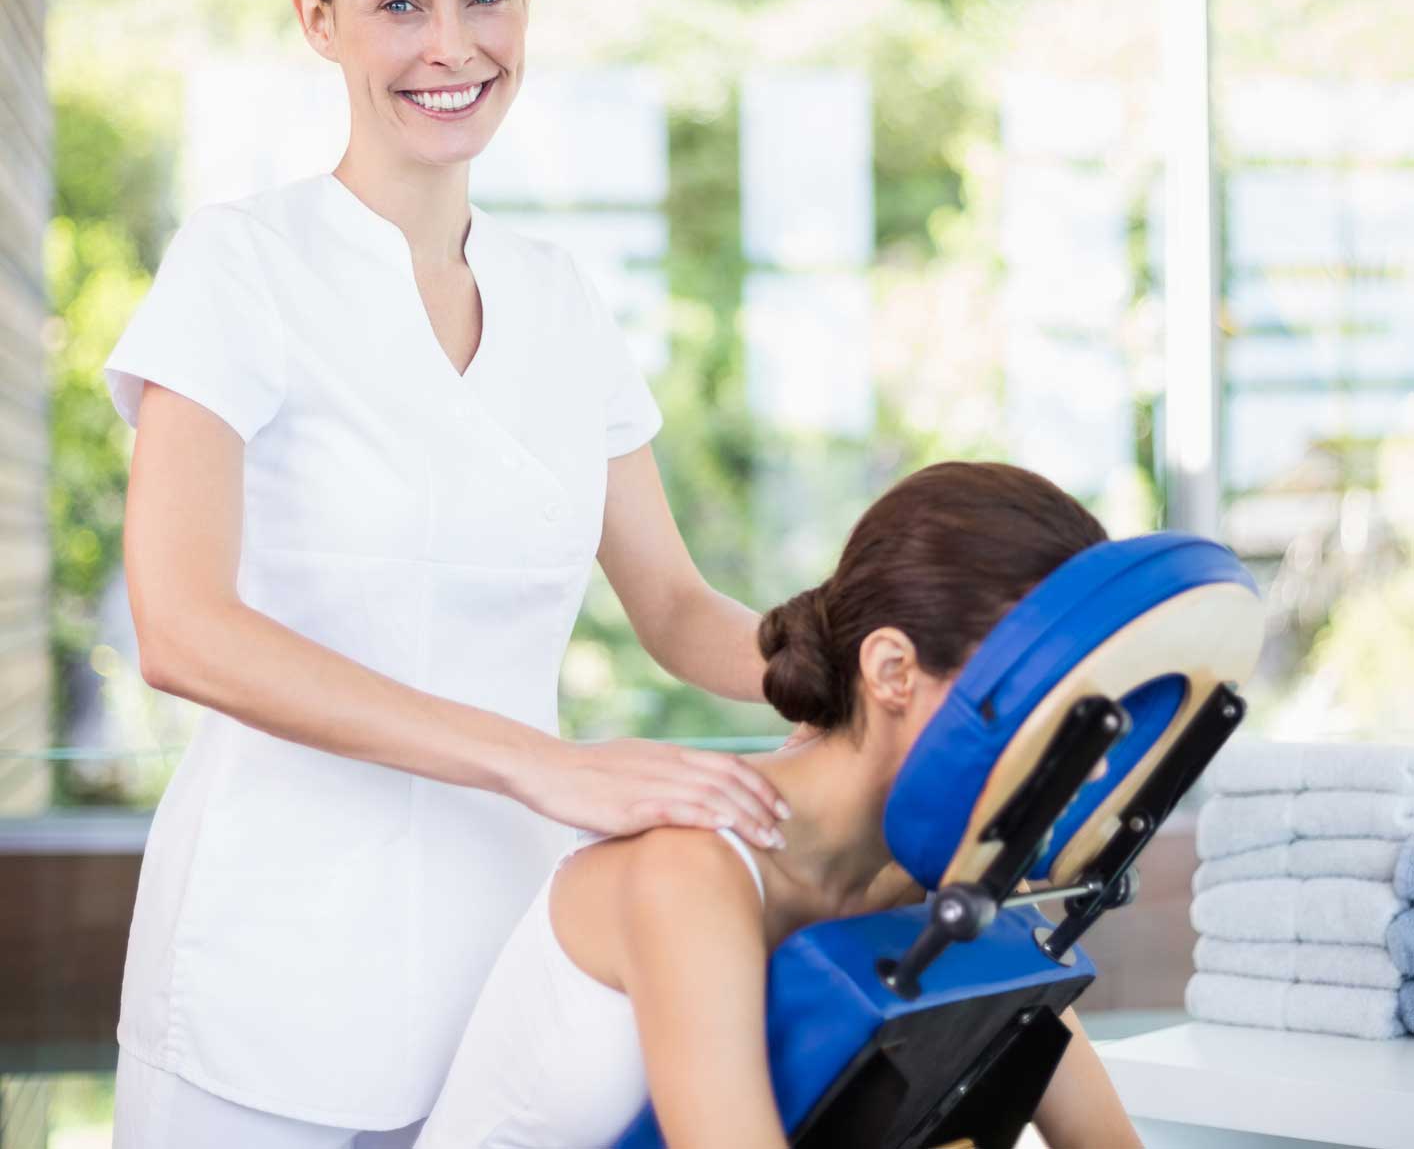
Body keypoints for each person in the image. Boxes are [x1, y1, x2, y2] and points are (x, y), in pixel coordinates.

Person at [104, 0, 797, 1149]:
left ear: (527, 4)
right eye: (398, 3)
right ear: (317, 20)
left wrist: (887, 670)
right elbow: (182, 629)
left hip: (507, 969)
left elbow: (673, 605)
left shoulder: (559, 299)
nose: (451, 45)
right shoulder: (241, 266)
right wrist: (550, 766)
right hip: (271, 966)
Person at [414, 461, 1145, 1149]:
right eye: (1052, 708)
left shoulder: (938, 878)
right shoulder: (691, 870)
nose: (1095, 762)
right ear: (892, 671)